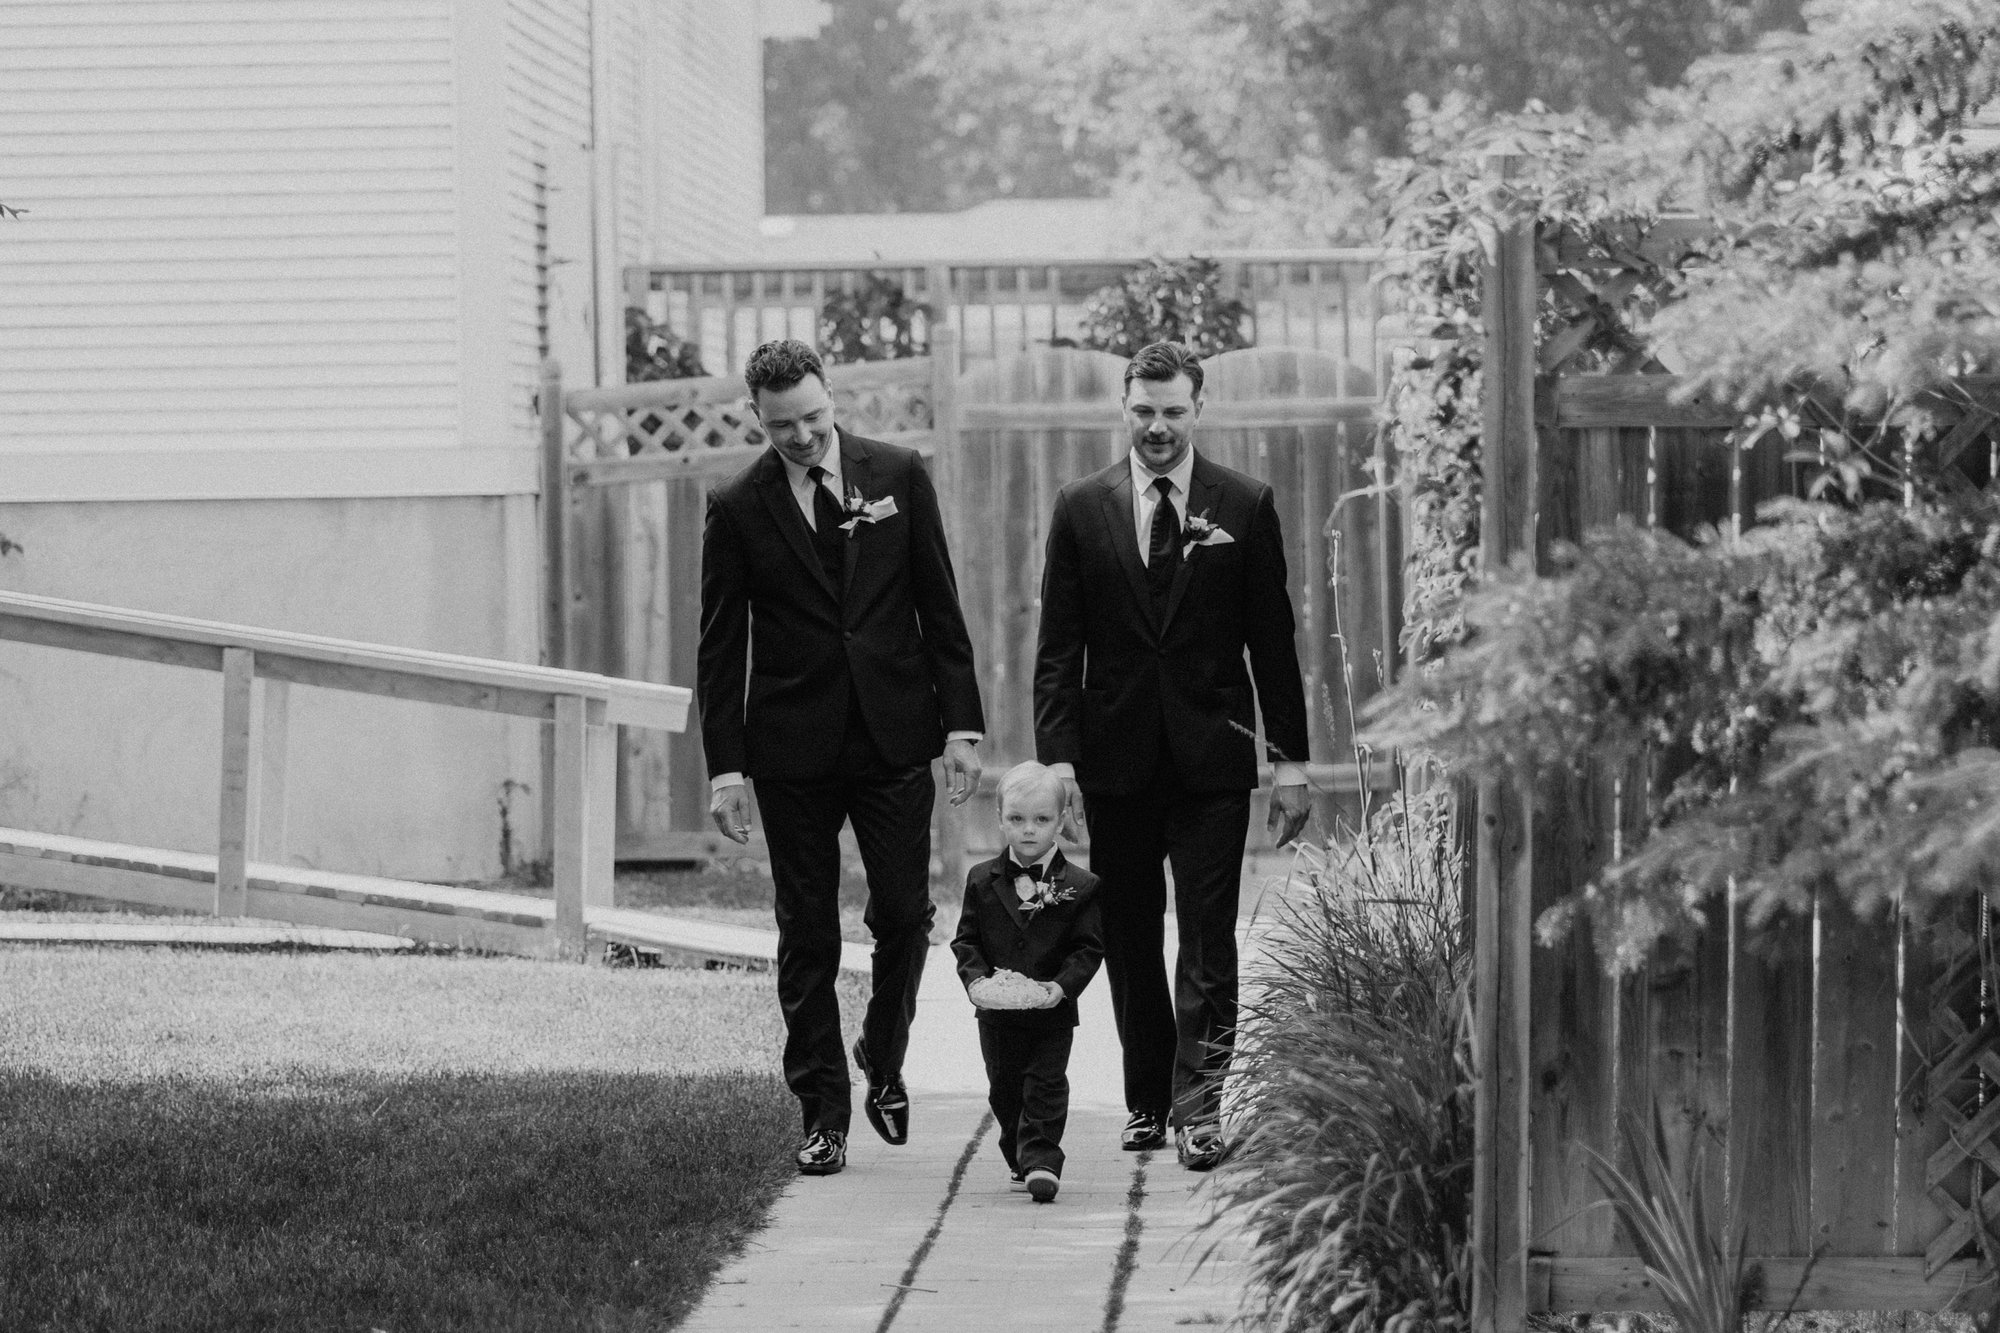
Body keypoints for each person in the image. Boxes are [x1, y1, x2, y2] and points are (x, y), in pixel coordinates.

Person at [698, 338, 985, 1177]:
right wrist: (726, 769)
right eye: (783, 424)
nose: (802, 436)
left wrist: (960, 724)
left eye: (815, 418)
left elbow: (939, 600)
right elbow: (721, 649)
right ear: (757, 416)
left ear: (834, 400)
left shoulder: (897, 473)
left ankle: (883, 1053)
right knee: (806, 930)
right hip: (791, 747)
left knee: (904, 914)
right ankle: (822, 1111)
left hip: (895, 733)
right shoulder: (738, 504)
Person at [1032, 340, 1311, 1171]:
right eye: (1144, 410)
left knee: (1208, 933)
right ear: (1124, 408)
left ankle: (1201, 1107)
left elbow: (1273, 642)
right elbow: (1058, 648)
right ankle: (1147, 1101)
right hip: (1114, 762)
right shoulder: (1081, 505)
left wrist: (1290, 760)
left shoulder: (1244, 503)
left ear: (1200, 408)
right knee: (1125, 932)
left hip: (1212, 761)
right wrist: (1060, 762)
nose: (1158, 426)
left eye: (1173, 411)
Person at [951, 761, 1104, 1203]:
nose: (1029, 830)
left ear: (1060, 821)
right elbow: (967, 941)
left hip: (1051, 1010)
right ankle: (1018, 1151)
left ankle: (1041, 1159)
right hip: (996, 1014)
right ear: (1000, 819)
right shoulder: (982, 879)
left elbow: (1088, 948)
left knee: (1046, 1083)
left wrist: (1062, 986)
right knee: (1005, 1087)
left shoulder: (1081, 885)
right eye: (1017, 819)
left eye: (1041, 820)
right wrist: (976, 981)